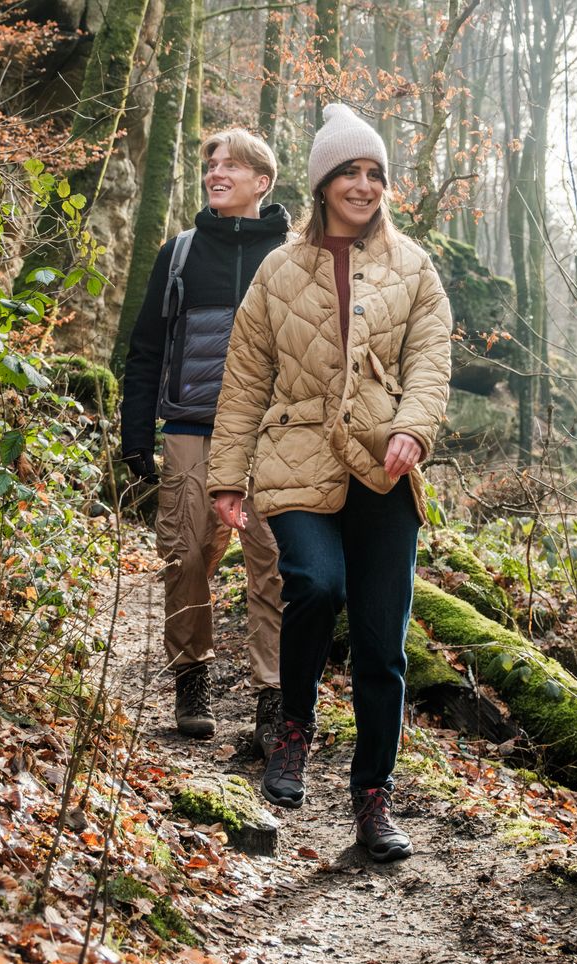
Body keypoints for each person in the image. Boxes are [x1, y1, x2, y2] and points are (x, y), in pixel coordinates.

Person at [206, 104, 452, 862]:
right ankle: (294, 728)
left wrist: (413, 426)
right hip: (296, 457)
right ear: (321, 183)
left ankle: (371, 800)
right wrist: (225, 478)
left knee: (382, 645)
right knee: (312, 583)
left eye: (375, 173)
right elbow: (245, 379)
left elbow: (431, 359)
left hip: (384, 466)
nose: (364, 184)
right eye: (350, 171)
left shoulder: (412, 266)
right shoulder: (278, 270)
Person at [120, 129, 289, 750]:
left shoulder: (296, 255)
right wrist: (135, 430)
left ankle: (273, 698)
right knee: (188, 556)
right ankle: (191, 676)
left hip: (277, 435)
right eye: (211, 164)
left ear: (261, 181)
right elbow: (145, 348)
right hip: (192, 426)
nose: (216, 172)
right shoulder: (181, 254)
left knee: (272, 565)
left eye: (232, 165)